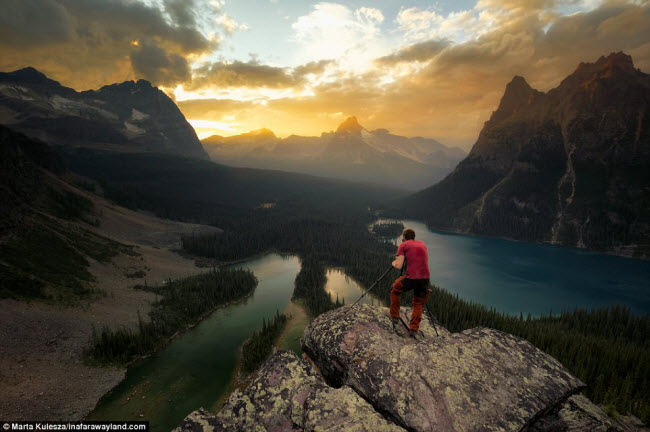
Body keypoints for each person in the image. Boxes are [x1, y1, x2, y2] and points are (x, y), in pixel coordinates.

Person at [390, 228, 430, 336]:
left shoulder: (403, 245)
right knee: (418, 302)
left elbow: (399, 266)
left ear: (404, 237)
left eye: (403, 237)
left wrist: (394, 262)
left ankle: (394, 316)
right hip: (425, 279)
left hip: (412, 278)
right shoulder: (422, 244)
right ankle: (414, 328)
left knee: (395, 289)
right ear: (413, 237)